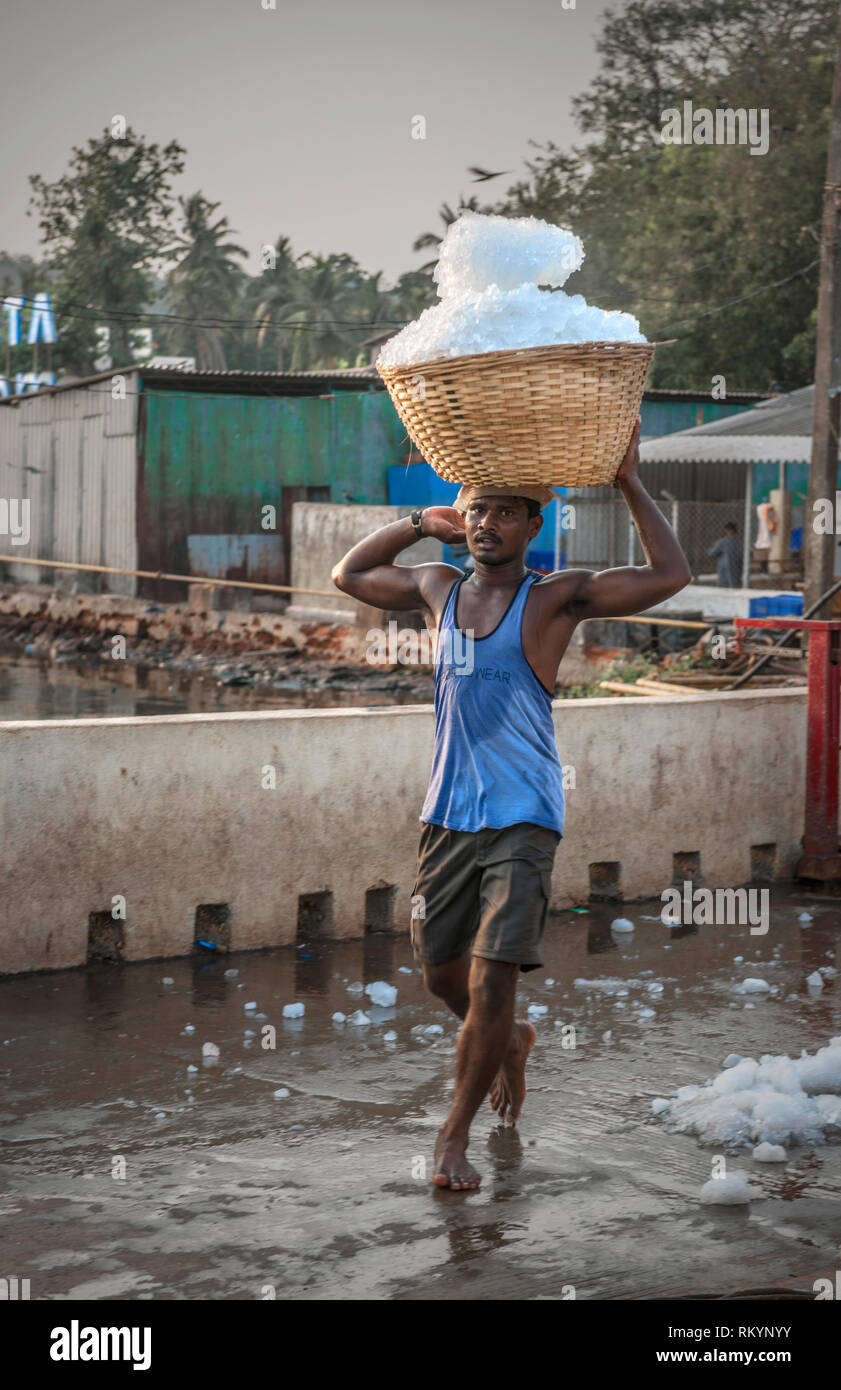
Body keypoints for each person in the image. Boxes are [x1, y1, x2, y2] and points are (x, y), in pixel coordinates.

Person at [331, 418, 690, 1191]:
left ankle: (450, 1139)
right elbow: (348, 577)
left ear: (535, 523)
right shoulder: (436, 586)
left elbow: (670, 575)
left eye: (505, 511)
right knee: (437, 975)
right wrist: (419, 522)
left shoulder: (556, 597)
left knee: (493, 978)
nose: (487, 523)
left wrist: (627, 479)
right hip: (447, 815)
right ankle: (512, 1040)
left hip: (524, 815)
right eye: (476, 509)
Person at [708, 521, 741, 588]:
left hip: (724, 568)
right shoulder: (739, 542)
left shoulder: (723, 541)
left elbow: (711, 553)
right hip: (737, 566)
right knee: (734, 585)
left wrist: (717, 542)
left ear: (726, 530)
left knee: (723, 586)